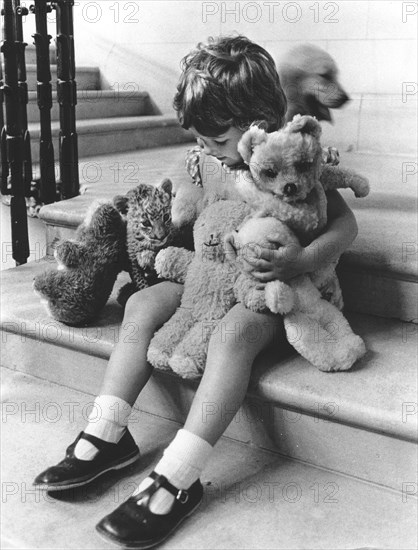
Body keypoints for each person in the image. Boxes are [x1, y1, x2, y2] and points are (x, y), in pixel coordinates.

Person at [34, 35, 358, 548]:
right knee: (142, 303)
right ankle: (107, 431)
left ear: (257, 121)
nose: (208, 149)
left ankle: (178, 478)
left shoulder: (286, 155)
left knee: (232, 336)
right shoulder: (206, 158)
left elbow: (345, 228)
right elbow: (184, 199)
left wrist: (300, 259)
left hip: (272, 288)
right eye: (200, 139)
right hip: (209, 277)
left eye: (217, 140)